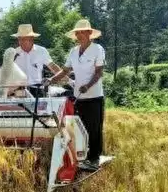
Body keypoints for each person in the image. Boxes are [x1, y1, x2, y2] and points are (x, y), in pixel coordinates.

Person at [45, 19, 105, 170]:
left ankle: (94, 158)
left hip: (94, 96)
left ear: (90, 33)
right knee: (80, 127)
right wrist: (51, 80)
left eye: (83, 32)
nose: (80, 35)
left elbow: (99, 73)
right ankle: (83, 156)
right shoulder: (73, 52)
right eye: (77, 32)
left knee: (94, 128)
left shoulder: (97, 49)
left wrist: (88, 85)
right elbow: (65, 71)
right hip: (79, 96)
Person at [12, 24, 62, 97]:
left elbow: (53, 67)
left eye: (24, 39)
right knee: (20, 108)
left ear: (31, 38)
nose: (21, 42)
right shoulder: (13, 53)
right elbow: (6, 73)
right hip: (19, 90)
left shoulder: (41, 51)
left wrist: (70, 81)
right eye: (19, 39)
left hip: (37, 88)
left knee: (39, 108)